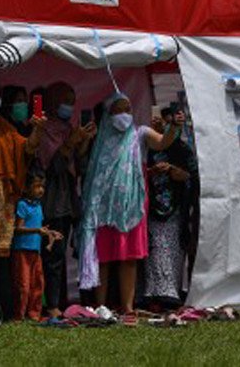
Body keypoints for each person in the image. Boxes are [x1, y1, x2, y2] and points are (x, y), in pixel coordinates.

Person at [77, 92, 181, 322]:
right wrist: (84, 138)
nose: (124, 114)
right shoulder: (100, 137)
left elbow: (164, 142)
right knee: (102, 256)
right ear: (109, 114)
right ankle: (101, 305)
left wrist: (173, 127)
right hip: (102, 208)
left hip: (130, 207)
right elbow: (83, 161)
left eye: (128, 109)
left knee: (128, 256)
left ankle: (127, 307)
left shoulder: (139, 133)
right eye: (118, 109)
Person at [0, 82, 46, 321]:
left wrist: (38, 129)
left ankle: (0, 311)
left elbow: (28, 148)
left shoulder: (5, 128)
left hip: (3, 198)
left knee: (0, 257)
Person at [38, 81, 97, 318]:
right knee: (51, 256)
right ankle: (49, 303)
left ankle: (59, 300)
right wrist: (71, 143)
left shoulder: (68, 129)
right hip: (51, 202)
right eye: (65, 102)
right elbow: (52, 166)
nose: (69, 107)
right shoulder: (44, 130)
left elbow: (79, 167)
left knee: (60, 257)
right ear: (53, 102)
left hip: (68, 202)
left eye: (72, 103)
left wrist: (83, 143)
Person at [144, 106, 199, 309]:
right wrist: (151, 171)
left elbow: (192, 177)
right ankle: (153, 294)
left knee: (172, 250)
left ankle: (171, 294)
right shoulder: (150, 146)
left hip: (176, 209)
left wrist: (174, 171)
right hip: (152, 207)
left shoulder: (183, 149)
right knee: (155, 250)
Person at [11, 163, 63, 322]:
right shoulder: (22, 205)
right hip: (22, 251)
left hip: (35, 252)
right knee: (24, 285)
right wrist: (36, 231)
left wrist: (50, 233)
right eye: (36, 186)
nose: (40, 190)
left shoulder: (39, 206)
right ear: (27, 188)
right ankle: (19, 315)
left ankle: (34, 314)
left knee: (37, 284)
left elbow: (38, 227)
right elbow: (17, 228)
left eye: (42, 186)